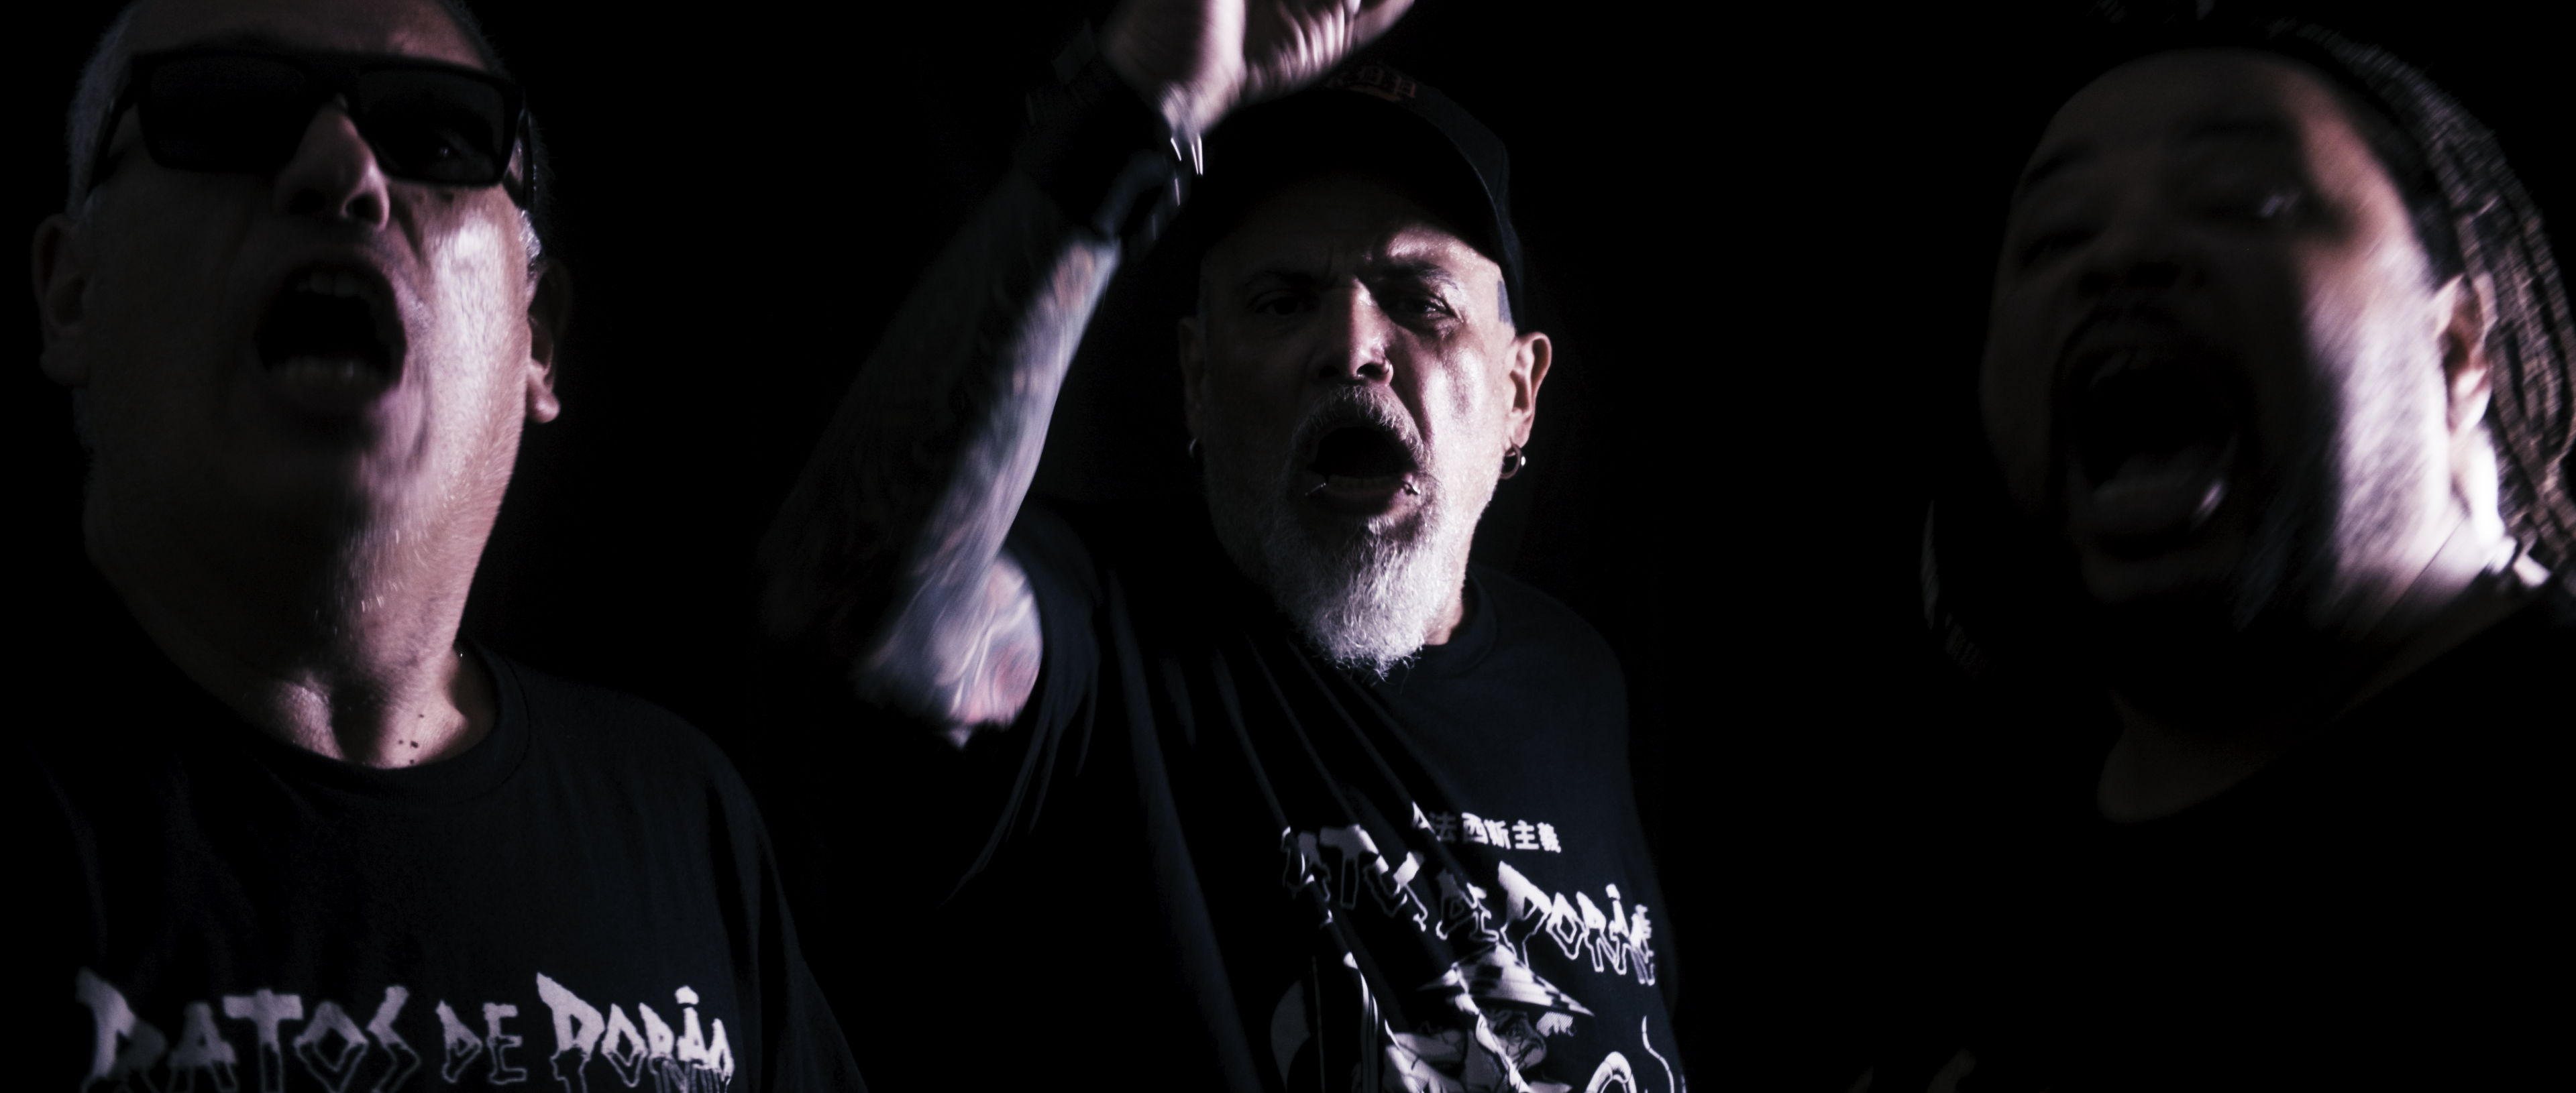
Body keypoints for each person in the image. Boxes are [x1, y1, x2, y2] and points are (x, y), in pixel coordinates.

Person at [757, 0, 1686, 1088]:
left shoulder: (1577, 683)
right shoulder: (1101, 635)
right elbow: (857, 596)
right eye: (1282, 302)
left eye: (1420, 300)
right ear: (1197, 380)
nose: (1351, 345)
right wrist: (1129, 110)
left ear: (1522, 393)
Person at [19, 0, 863, 1088]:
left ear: (538, 337)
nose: (341, 169)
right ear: (73, 296)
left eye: (435, 132)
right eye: (229, 112)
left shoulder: (679, 818)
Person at [1878, 13, 2576, 1091]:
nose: (2119, 259)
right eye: (2054, 238)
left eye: (2247, 201)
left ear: (2457, 348)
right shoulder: (1956, 860)